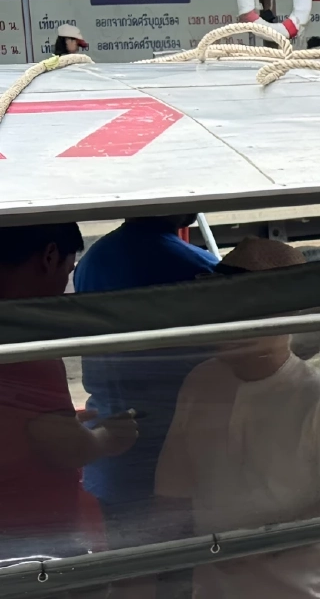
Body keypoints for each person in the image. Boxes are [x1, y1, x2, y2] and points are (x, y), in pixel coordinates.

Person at [154, 237, 320, 598]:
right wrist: (145, 575)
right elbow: (171, 493)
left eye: (237, 308)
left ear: (279, 315)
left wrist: (258, 544)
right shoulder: (199, 382)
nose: (221, 319)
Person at [73, 215, 219, 552]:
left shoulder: (92, 260)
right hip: (176, 454)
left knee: (133, 570)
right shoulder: (198, 267)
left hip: (111, 449)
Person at [0, 223, 139, 559]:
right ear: (49, 257)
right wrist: (105, 437)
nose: (65, 285)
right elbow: (60, 448)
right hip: (28, 547)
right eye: (68, 268)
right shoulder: (24, 340)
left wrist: (58, 419)